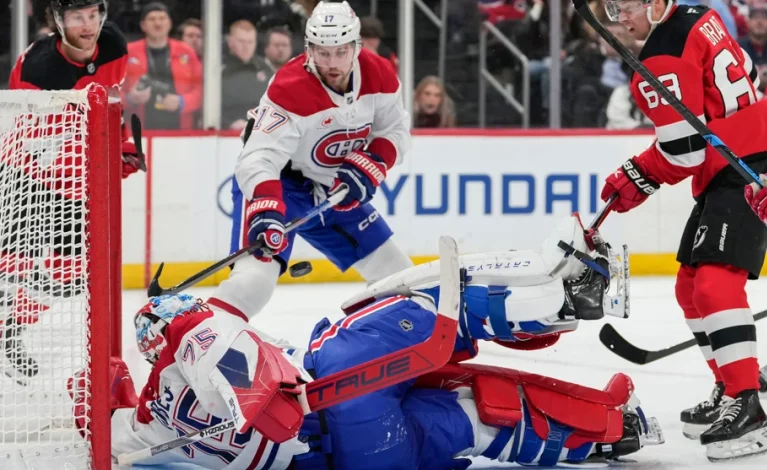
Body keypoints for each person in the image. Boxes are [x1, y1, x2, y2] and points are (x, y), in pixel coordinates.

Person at [75, 217, 664, 469]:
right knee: (392, 314)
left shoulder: (142, 431)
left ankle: (610, 431)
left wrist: (103, 395)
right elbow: (239, 319)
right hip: (331, 402)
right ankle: (555, 294)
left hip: (359, 459)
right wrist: (268, 246)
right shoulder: (191, 332)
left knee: (478, 415)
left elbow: (103, 427)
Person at [602, 0, 767, 461]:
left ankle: (748, 408)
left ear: (657, 3)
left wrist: (634, 175)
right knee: (688, 286)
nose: (619, 17)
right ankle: (729, 388)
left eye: (625, 6)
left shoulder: (660, 58)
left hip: (750, 162)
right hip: (747, 153)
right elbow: (750, 83)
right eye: (611, 7)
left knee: (717, 285)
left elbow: (684, 153)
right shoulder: (699, 13)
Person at [212, 1, 414, 321]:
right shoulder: (290, 87)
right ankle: (202, 337)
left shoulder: (380, 75)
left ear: (356, 47)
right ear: (309, 48)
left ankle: (397, 344)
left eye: (341, 51)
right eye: (322, 52)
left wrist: (372, 163)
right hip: (281, 185)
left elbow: (396, 131)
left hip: (333, 190)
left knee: (400, 276)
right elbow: (258, 156)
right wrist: (266, 207)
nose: (332, 63)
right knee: (254, 283)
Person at [3, 0, 142, 379]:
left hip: (74, 182)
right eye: (77, 17)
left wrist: (123, 146)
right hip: (28, 174)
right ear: (58, 22)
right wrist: (101, 159)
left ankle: (12, 328)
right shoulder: (39, 68)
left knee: (67, 278)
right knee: (10, 270)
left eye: (94, 15)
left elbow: (111, 102)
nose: (89, 25)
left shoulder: (113, 44)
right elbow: (36, 142)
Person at [123, 2, 203, 130]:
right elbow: (110, 92)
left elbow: (204, 89)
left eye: (162, 18)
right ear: (143, 25)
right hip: (138, 131)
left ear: (170, 23)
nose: (158, 23)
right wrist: (130, 99)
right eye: (152, 19)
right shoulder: (128, 52)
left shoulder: (186, 52)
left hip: (182, 132)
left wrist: (182, 102)